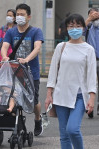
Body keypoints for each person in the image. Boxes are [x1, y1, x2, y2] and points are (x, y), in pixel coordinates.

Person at [45, 14, 96, 149]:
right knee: (64, 134)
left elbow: (91, 75)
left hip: (79, 96)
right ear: (66, 28)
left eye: (78, 26)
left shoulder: (88, 49)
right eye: (71, 26)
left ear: (83, 28)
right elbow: (53, 72)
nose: (74, 29)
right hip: (61, 95)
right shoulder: (61, 47)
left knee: (72, 129)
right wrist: (49, 94)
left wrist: (92, 97)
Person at [1, 3, 44, 136]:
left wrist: (27, 59)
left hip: (32, 72)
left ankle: (38, 119)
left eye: (22, 14)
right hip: (15, 71)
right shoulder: (11, 31)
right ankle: (17, 123)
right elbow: (4, 46)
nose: (19, 17)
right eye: (17, 14)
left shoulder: (36, 31)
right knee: (13, 97)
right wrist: (4, 57)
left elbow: (37, 48)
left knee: (34, 101)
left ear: (29, 16)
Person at [85, 8, 99, 118]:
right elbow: (79, 31)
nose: (94, 16)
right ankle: (89, 107)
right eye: (91, 14)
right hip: (90, 60)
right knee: (90, 84)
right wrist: (89, 19)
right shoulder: (88, 27)